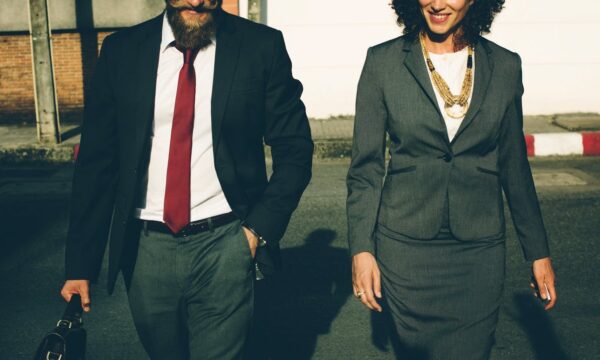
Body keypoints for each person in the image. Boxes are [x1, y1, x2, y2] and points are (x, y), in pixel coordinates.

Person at [60, 0, 313, 358]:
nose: (196, 1)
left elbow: (295, 149)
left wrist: (256, 231)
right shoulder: (121, 51)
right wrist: (80, 266)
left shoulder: (260, 46)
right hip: (146, 247)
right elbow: (98, 163)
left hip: (226, 241)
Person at [346, 0, 557, 358]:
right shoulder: (382, 62)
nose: (438, 3)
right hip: (405, 250)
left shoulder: (505, 66)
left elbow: (514, 166)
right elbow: (365, 169)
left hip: (478, 253)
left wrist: (538, 252)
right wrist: (361, 249)